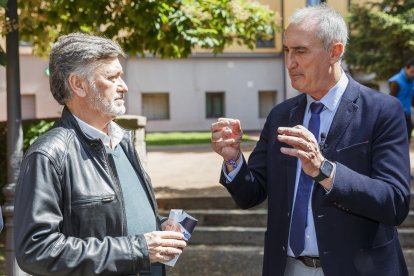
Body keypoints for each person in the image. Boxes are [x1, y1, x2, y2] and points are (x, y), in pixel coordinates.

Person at [211, 4, 410, 276]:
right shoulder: (282, 114)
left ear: (335, 52)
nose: (290, 62)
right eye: (287, 51)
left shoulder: (382, 111)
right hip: (288, 268)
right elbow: (251, 194)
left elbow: (395, 203)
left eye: (301, 51)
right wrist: (233, 159)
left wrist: (325, 171)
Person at [14, 33, 186, 275]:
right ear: (78, 85)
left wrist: (158, 232)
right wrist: (138, 249)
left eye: (121, 76)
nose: (123, 86)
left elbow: (114, 223)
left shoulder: (123, 141)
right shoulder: (49, 154)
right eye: (112, 77)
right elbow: (36, 250)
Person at [388, 59, 414, 142]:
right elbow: (391, 101)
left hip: (408, 115)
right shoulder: (396, 81)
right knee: (397, 141)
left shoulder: (412, 81)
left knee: (407, 140)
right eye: (412, 71)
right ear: (406, 68)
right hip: (397, 115)